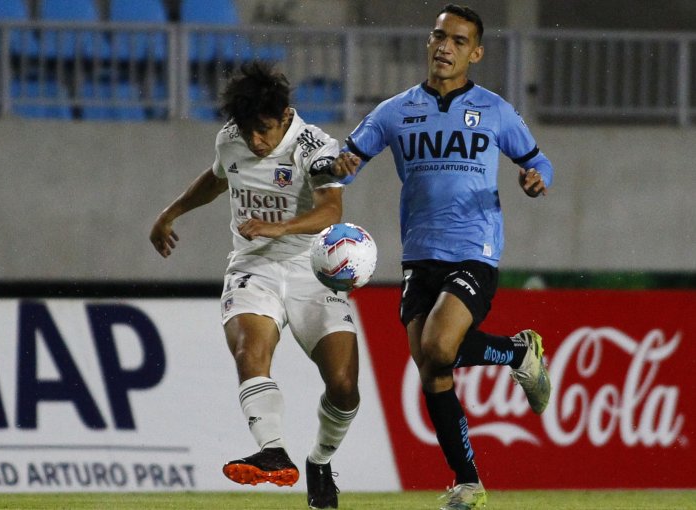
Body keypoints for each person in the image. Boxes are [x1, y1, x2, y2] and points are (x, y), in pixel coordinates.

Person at [333, 4, 553, 510]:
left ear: (475, 52)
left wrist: (537, 178)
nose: (443, 47)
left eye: (456, 40)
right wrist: (338, 165)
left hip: (474, 251)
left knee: (438, 346)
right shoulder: (394, 110)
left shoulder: (495, 110)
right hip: (418, 257)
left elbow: (536, 160)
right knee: (433, 369)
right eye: (437, 37)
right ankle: (469, 480)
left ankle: (520, 356)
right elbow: (346, 164)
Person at [149, 61, 360, 509]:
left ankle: (319, 461)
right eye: (247, 131)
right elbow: (217, 177)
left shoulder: (315, 146)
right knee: (250, 351)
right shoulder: (231, 137)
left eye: (263, 130)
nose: (255, 141)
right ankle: (272, 450)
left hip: (312, 271)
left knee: (343, 385)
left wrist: (278, 228)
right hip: (253, 268)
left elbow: (331, 211)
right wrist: (170, 212)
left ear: (285, 115)